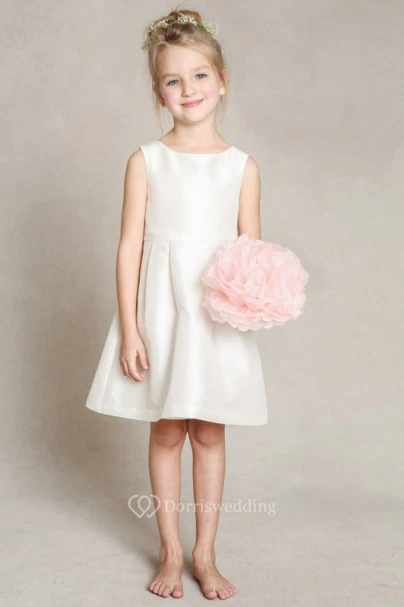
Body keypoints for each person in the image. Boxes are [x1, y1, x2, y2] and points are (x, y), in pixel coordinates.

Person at [86, 7, 268, 600]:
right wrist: (131, 328)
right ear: (158, 92)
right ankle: (169, 549)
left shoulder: (242, 168)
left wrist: (258, 300)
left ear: (222, 81)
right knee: (167, 430)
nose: (188, 89)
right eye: (172, 80)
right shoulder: (146, 161)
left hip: (214, 316)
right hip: (162, 313)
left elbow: (250, 252)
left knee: (209, 431)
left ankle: (205, 553)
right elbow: (129, 248)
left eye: (199, 75)